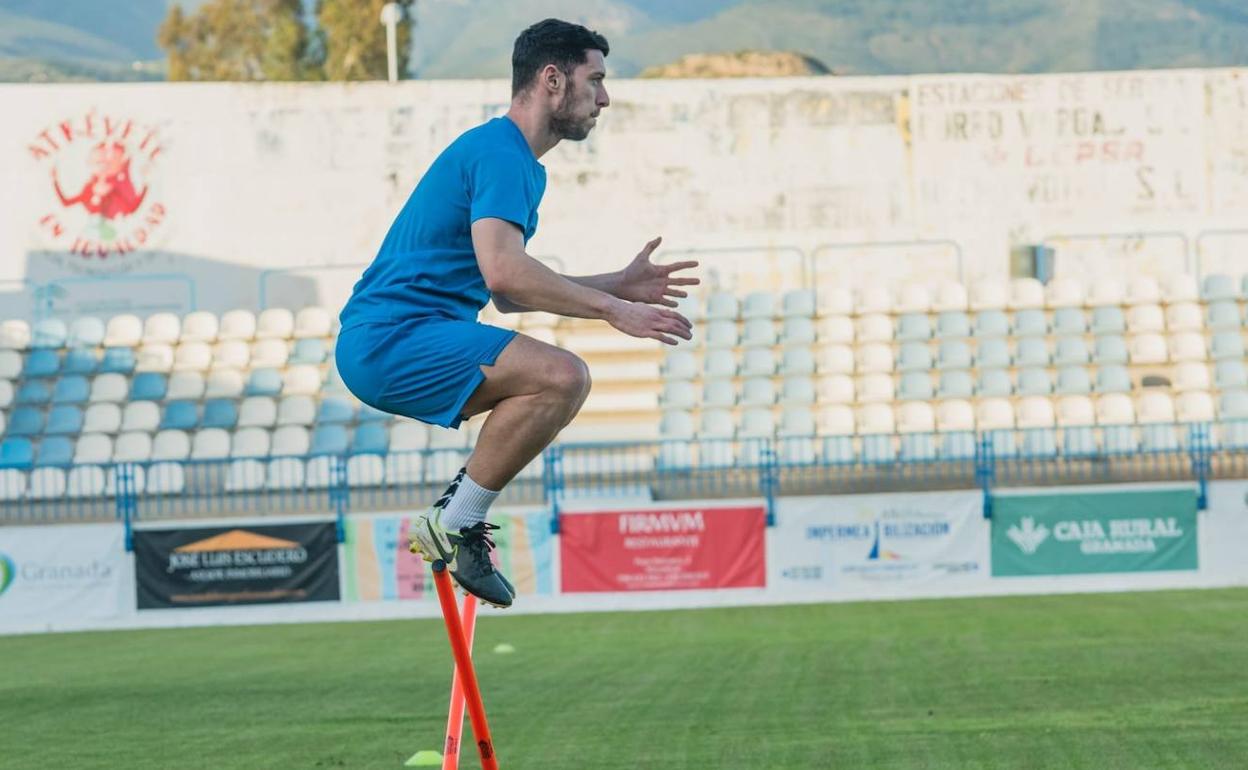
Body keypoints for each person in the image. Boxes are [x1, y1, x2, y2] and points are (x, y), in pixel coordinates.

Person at [335, 18, 699, 608]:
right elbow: (507, 275)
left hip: (400, 338)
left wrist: (618, 285)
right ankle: (455, 521)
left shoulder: (516, 162)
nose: (604, 98)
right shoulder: (501, 153)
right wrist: (611, 308)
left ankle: (455, 517)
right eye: (596, 80)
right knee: (563, 376)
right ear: (552, 79)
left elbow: (505, 289)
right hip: (392, 340)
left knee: (551, 383)